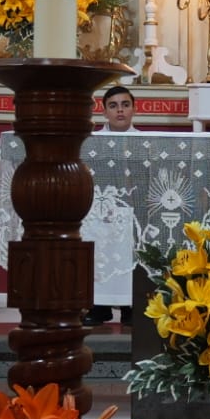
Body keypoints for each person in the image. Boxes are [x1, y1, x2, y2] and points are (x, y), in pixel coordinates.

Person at [87, 85, 139, 327]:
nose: (120, 111)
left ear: (134, 109)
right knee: (99, 253)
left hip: (131, 211)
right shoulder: (92, 142)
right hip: (98, 211)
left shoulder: (144, 141)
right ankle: (99, 307)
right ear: (104, 112)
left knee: (131, 253)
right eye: (114, 105)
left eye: (125, 105)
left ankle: (131, 307)